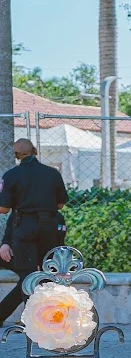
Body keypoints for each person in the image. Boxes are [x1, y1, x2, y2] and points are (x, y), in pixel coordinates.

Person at [0, 139, 69, 324]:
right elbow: (60, 204)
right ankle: (46, 318)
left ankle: (32, 320)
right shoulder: (52, 173)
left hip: (24, 228)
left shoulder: (11, 175)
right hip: (49, 227)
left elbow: (4, 209)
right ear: (35, 151)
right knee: (48, 272)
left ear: (16, 155)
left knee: (28, 275)